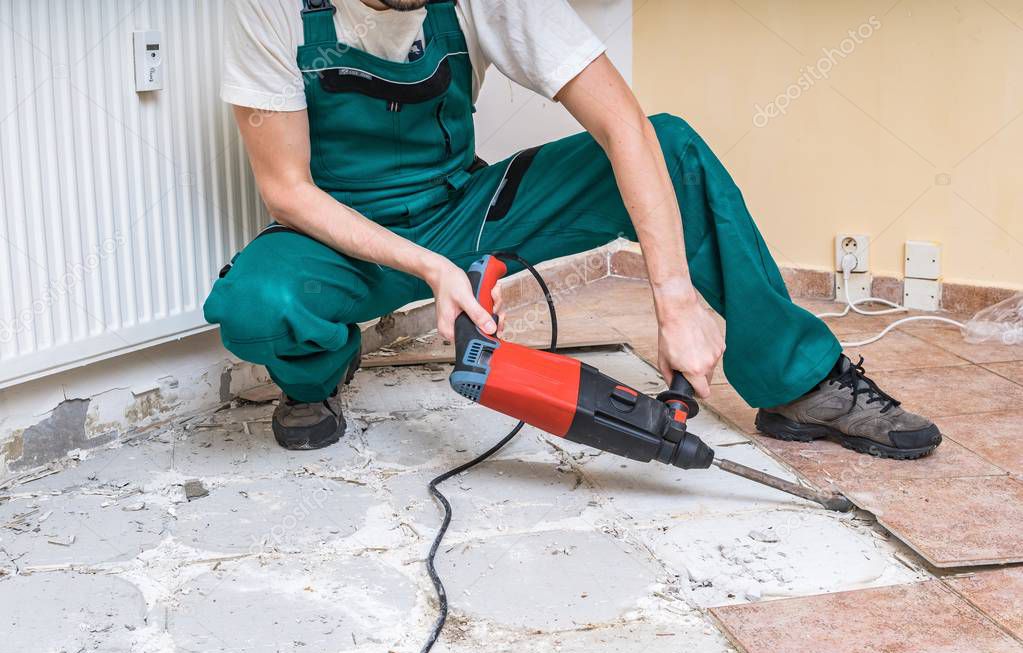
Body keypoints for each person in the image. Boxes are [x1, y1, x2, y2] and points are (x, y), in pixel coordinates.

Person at [204, 0, 941, 459]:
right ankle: (316, 377)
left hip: (464, 212)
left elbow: (622, 126)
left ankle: (797, 381)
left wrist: (674, 298)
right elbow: (288, 190)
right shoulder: (272, 8)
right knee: (253, 306)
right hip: (340, 238)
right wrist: (430, 271)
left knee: (669, 142)